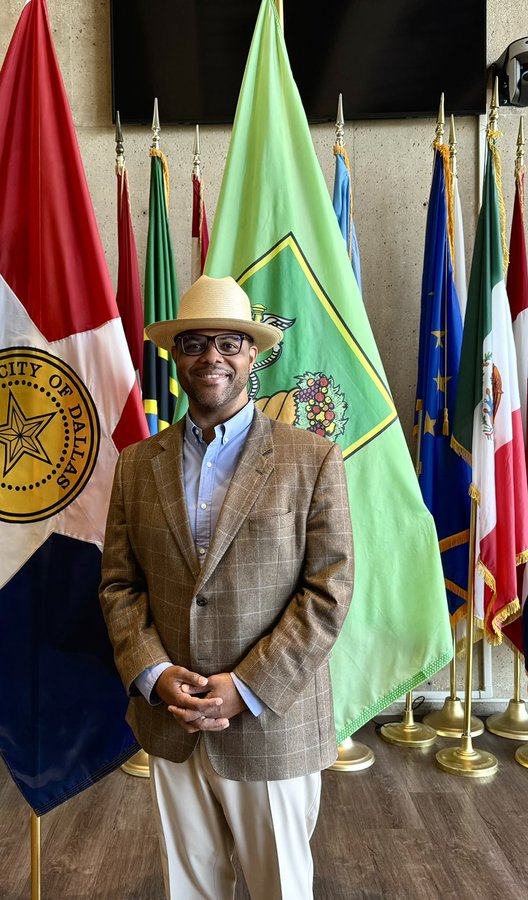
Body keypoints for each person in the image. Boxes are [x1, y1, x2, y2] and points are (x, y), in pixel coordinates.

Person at [100, 275, 355, 900]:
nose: (211, 356)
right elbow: (118, 584)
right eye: (194, 344)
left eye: (228, 343)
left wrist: (246, 688)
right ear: (175, 357)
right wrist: (154, 673)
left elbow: (329, 592)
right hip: (172, 721)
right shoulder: (137, 463)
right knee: (189, 889)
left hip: (272, 725)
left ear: (251, 355)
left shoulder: (313, 458)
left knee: (279, 890)